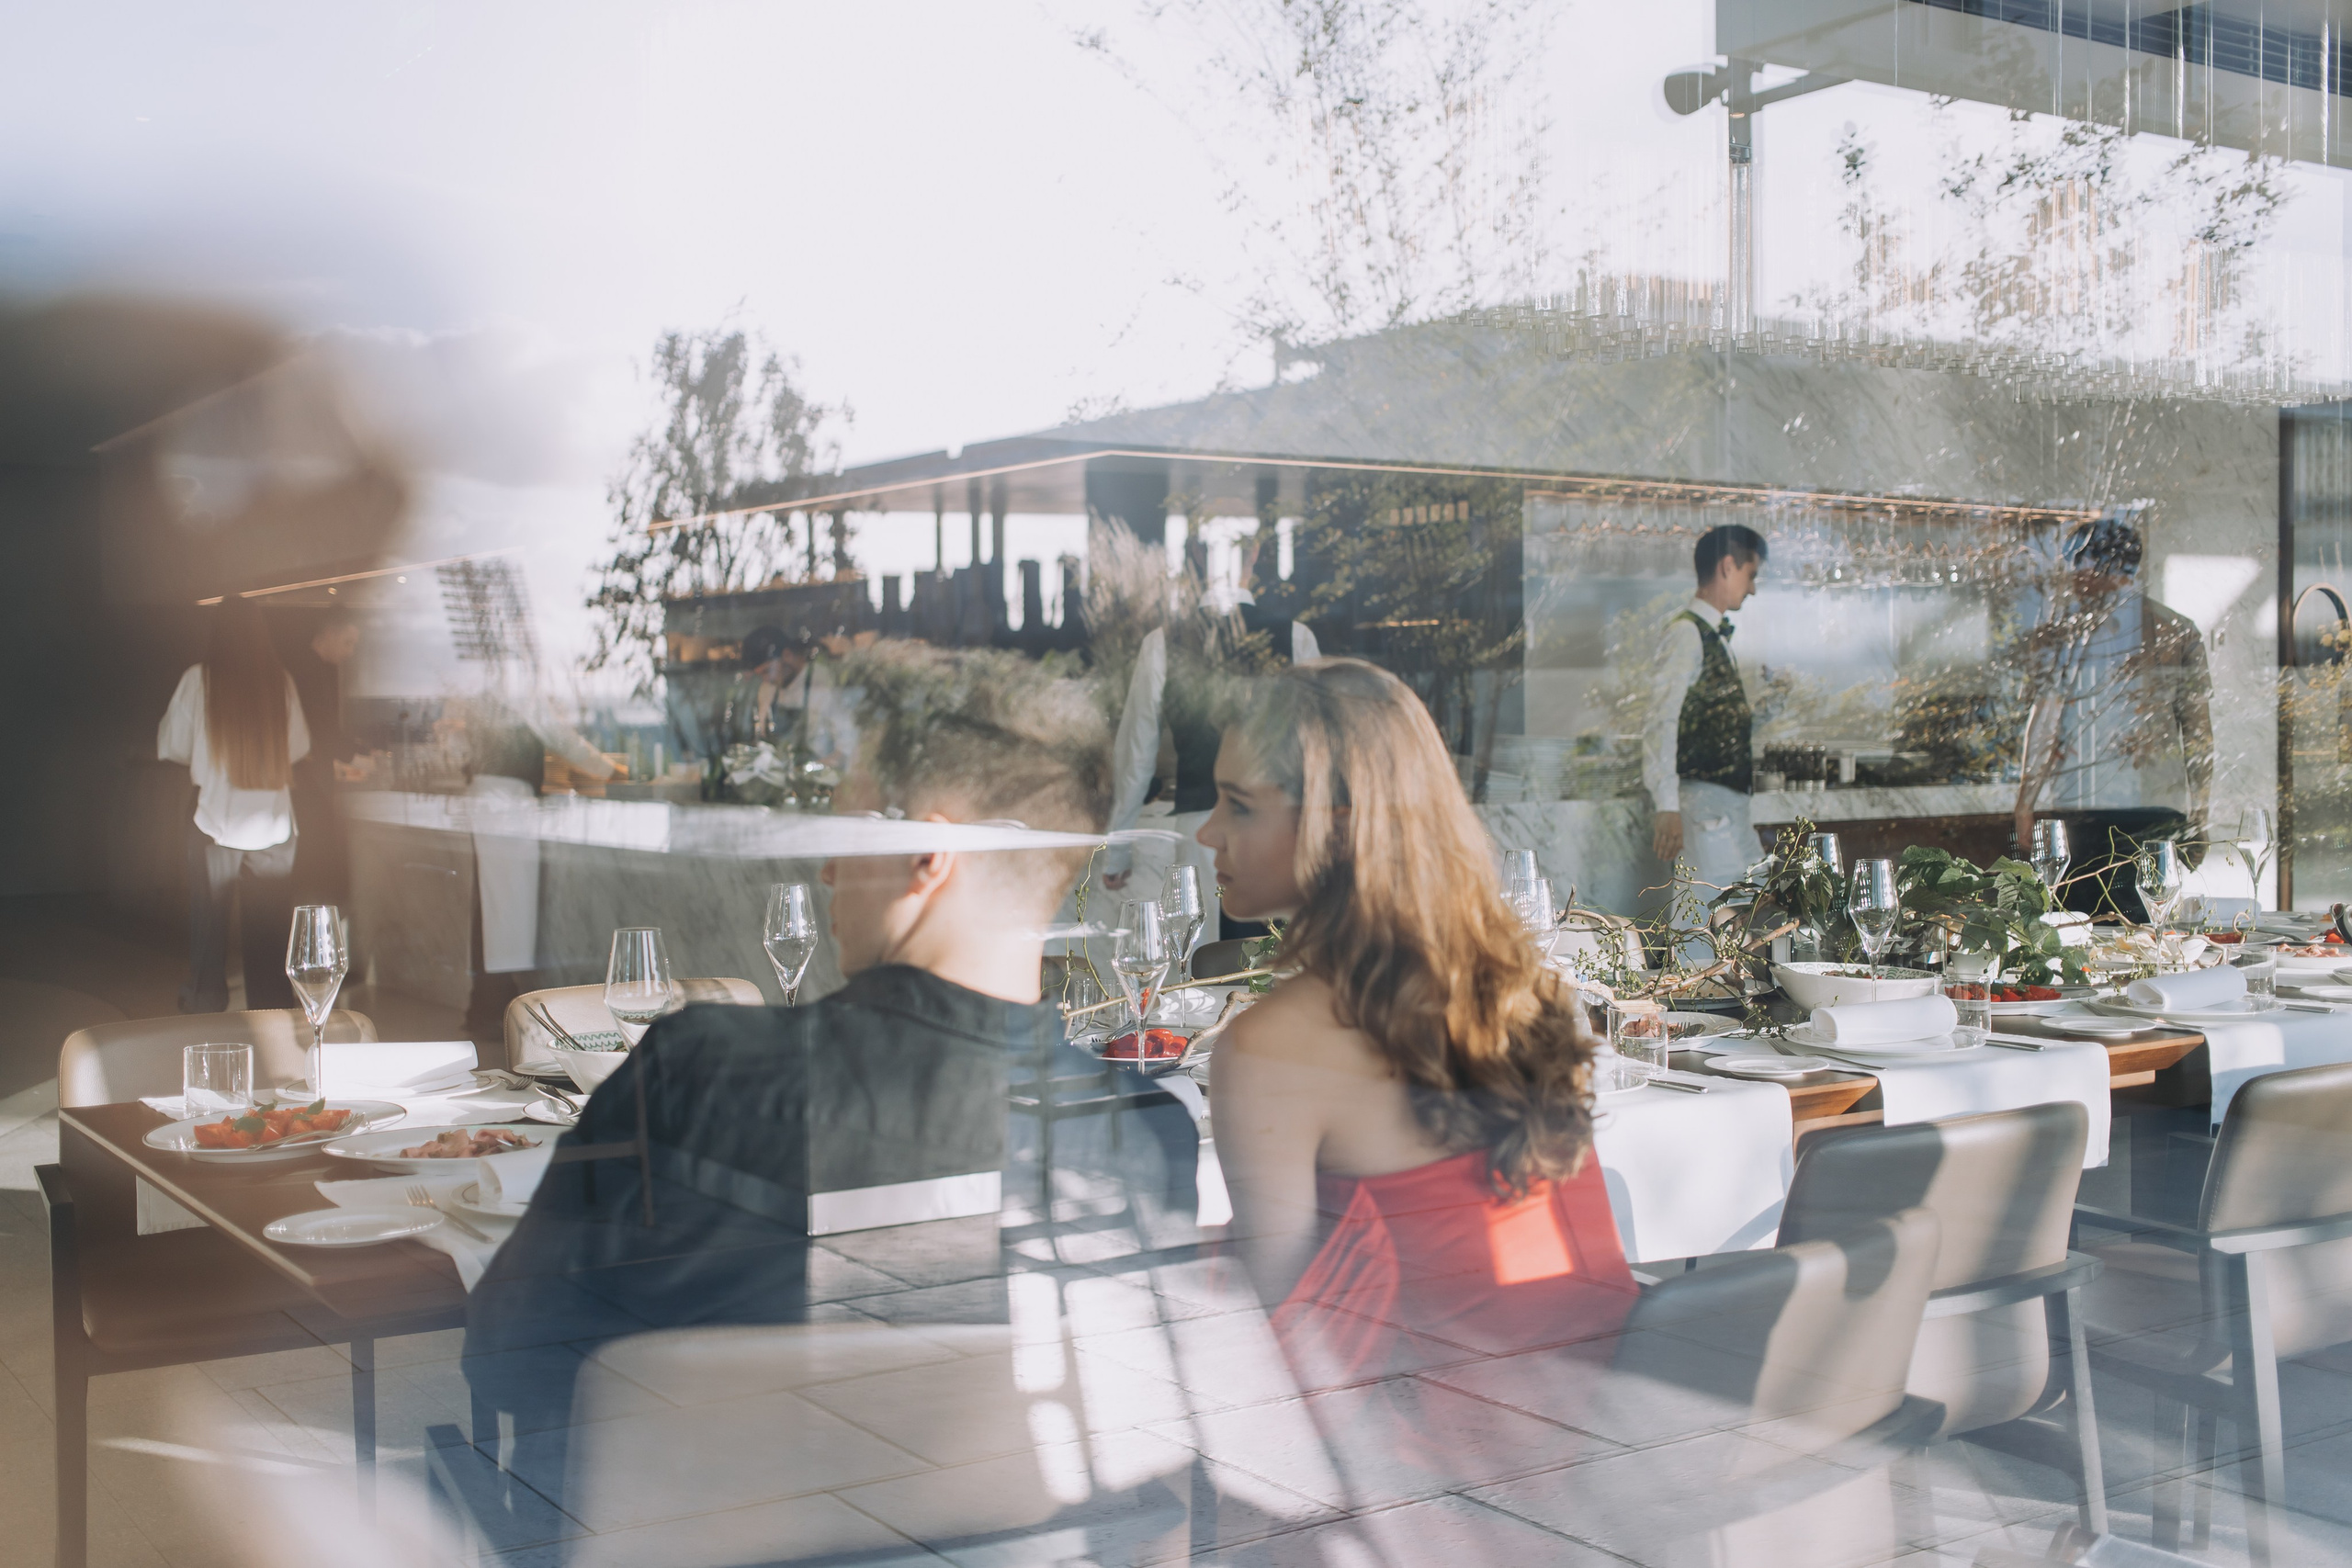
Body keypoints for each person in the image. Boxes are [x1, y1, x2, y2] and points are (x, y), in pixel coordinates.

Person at [464, 644, 1193, 1476]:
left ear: (928, 854)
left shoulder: (699, 1077)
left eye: (845, 830)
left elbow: (506, 1358)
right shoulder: (1146, 1137)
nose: (826, 866)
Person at [1198, 658, 1635, 1395]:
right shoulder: (1529, 988)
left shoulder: (1267, 1047)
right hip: (1611, 1417)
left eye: (1239, 806)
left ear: (1339, 827)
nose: (1207, 831)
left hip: (1450, 1448)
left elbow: (1287, 1343)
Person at [1103, 536, 1319, 949]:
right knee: (1277, 959)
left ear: (1195, 557)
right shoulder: (1295, 637)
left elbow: (1136, 756)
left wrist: (1118, 852)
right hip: (1279, 830)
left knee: (1204, 961)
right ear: (1255, 554)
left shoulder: (1163, 643)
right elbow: (1317, 751)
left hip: (1200, 826)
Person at [2020, 514, 2215, 919]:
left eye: (2078, 562)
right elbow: (2043, 718)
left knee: (2137, 924)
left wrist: (2200, 813)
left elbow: (2197, 729)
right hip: (2084, 805)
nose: (2071, 574)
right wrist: (2025, 806)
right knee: (2075, 924)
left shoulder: (2174, 633)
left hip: (2147, 808)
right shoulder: (2064, 634)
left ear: (2107, 568)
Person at [158, 595, 311, 1013]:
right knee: (269, 936)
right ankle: (272, 1014)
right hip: (275, 827)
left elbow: (172, 744)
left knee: (208, 933)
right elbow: (299, 747)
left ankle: (205, 1008)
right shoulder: (279, 681)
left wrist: (208, 757)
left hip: (215, 823)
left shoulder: (199, 679)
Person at [1644, 524, 1767, 961]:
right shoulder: (1686, 633)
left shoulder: (1714, 636)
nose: (1753, 589)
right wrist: (1666, 804)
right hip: (1704, 809)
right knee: (1701, 921)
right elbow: (1661, 720)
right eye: (1751, 575)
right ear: (1728, 566)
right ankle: (1692, 996)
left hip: (1725, 809)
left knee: (1736, 914)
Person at [288, 608, 362, 907]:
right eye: (347, 642)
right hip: (306, 779)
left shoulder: (312, 668)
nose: (350, 652)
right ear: (329, 634)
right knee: (314, 855)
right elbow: (320, 727)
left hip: (308, 776)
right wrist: (355, 755)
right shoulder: (307, 671)